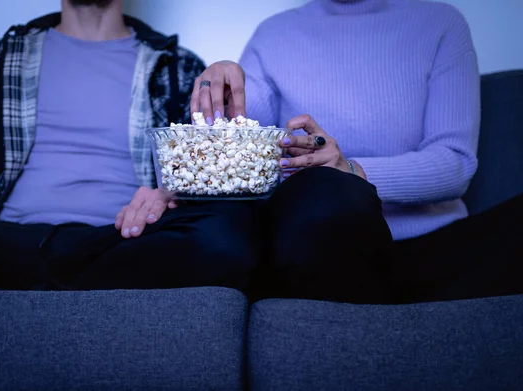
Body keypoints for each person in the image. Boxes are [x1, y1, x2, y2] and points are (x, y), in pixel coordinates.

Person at [193, 0, 523, 304]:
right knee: (321, 191)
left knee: (330, 186)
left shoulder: (441, 23)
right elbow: (233, 136)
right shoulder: (274, 34)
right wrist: (219, 88)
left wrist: (350, 170)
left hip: (434, 251)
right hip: (323, 245)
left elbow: (455, 163)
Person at [0, 0, 263, 291]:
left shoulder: (178, 67)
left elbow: (199, 180)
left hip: (119, 241)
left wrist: (179, 184)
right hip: (6, 241)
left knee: (224, 238)